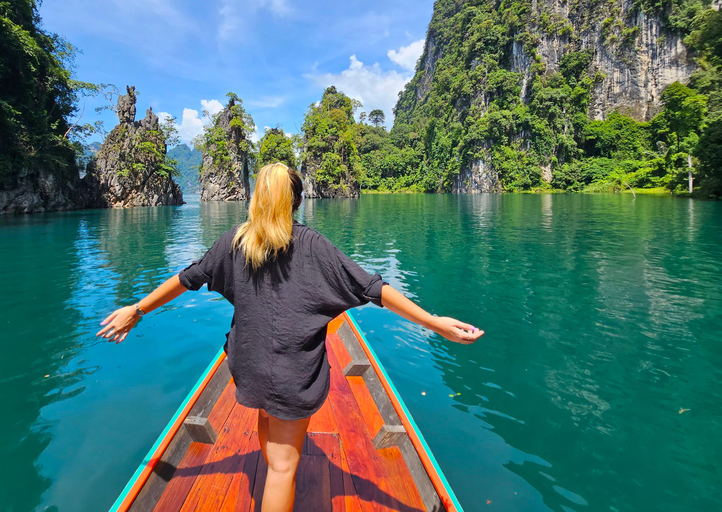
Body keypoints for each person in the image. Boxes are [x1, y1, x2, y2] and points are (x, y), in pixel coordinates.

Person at [97, 163, 484, 512]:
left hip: (246, 364)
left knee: (268, 421)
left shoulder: (236, 241)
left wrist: (137, 309)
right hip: (290, 373)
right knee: (283, 468)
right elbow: (373, 289)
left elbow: (188, 277)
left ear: (255, 198)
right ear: (297, 201)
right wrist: (434, 323)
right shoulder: (312, 245)